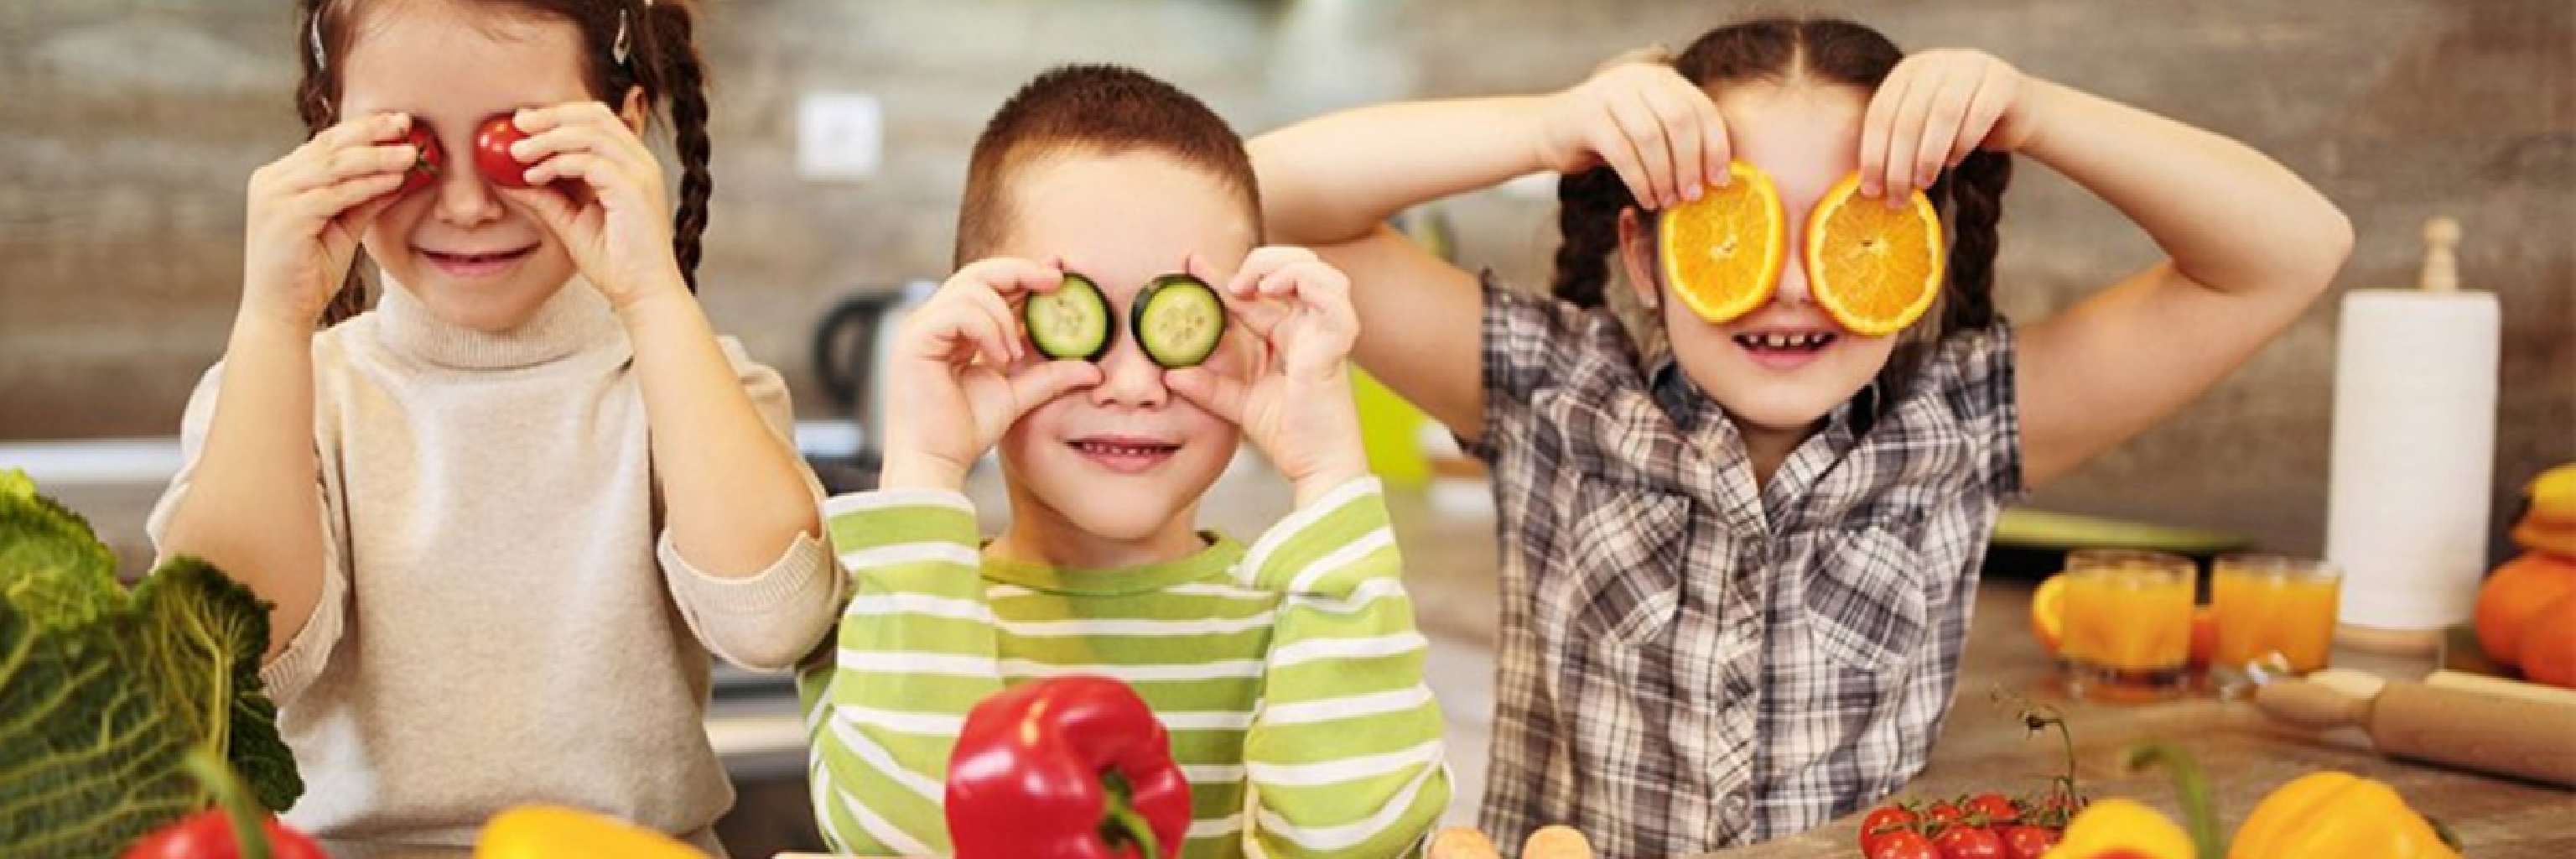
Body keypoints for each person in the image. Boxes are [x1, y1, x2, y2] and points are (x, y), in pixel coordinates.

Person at [1249, 16, 2352, 855]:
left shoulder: (1962, 420)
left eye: (1849, 227)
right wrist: (1544, 126)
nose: (1788, 286)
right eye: (1735, 226)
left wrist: (2039, 113)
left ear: (1913, 252)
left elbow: (2293, 248)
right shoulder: (1551, 388)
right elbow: (1250, 193)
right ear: (1646, 255)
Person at [148, 0, 841, 848]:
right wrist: (271, 320)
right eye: (408, 149)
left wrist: (654, 293)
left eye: (521, 142)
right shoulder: (280, 390)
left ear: (623, 132)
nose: (469, 205)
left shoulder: (691, 379)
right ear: (332, 138)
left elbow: (774, 622)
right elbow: (224, 664)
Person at [798, 65, 1450, 858]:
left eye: (1181, 317)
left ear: (1251, 328)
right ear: (981, 327)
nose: (1135, 385)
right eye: (1074, 316)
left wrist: (1329, 474)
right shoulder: (901, 610)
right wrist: (927, 465)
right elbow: (906, 841)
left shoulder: (1310, 614)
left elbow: (1358, 841)